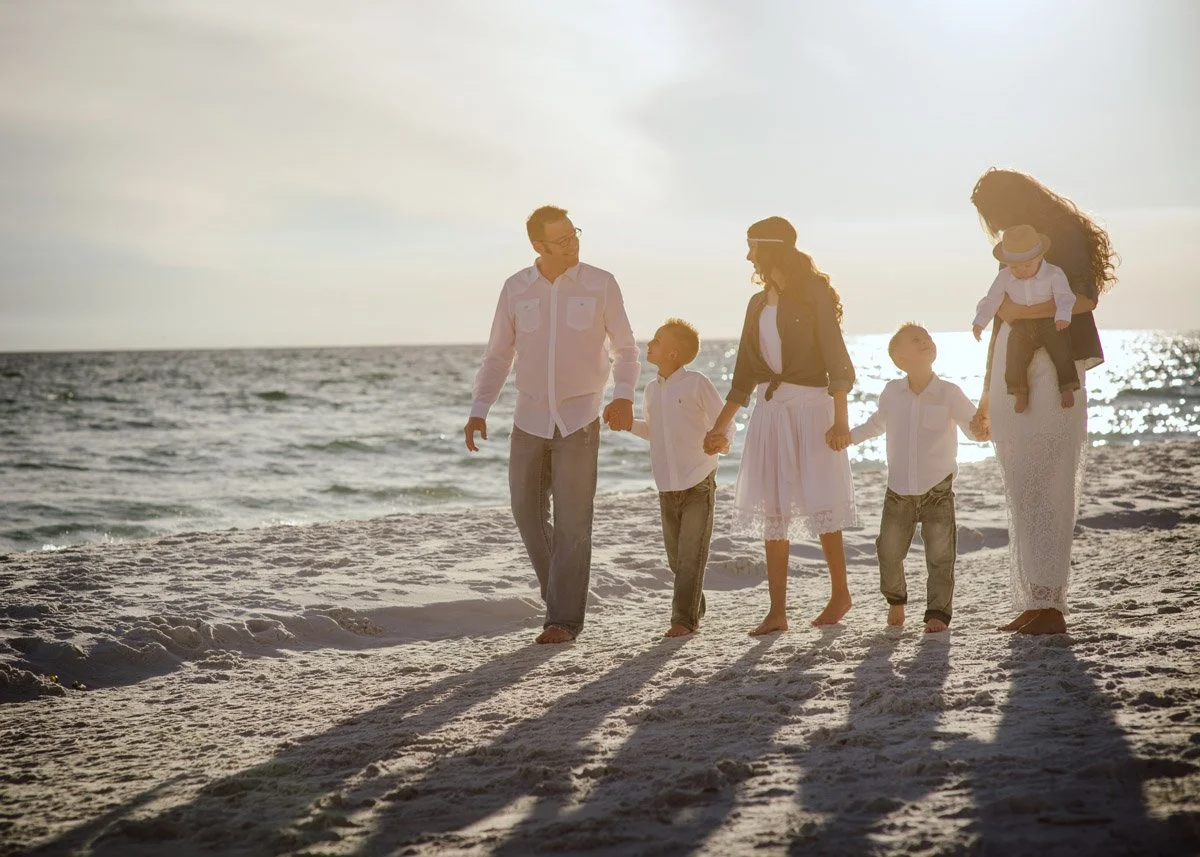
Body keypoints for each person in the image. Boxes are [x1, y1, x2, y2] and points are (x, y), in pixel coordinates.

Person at [464, 206, 639, 644]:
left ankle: (563, 620)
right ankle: (560, 596)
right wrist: (480, 407)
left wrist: (622, 396)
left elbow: (626, 349)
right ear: (538, 246)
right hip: (529, 416)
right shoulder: (516, 288)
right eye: (561, 240)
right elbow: (499, 354)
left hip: (581, 416)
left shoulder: (601, 283)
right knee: (526, 514)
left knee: (573, 522)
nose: (573, 244)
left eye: (574, 235)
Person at [968, 169, 1117, 636]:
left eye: (991, 213)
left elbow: (1084, 300)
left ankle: (1051, 604)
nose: (991, 224)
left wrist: (1018, 312)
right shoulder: (1017, 244)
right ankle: (1036, 599)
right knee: (1022, 482)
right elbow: (998, 320)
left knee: (1050, 480)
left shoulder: (1063, 235)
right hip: (1012, 370)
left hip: (1054, 368)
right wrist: (984, 397)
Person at [703, 216, 858, 635]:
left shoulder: (814, 294)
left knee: (822, 503)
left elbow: (837, 359)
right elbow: (743, 375)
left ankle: (840, 593)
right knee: (774, 509)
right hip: (770, 413)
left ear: (769, 248)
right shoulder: (756, 304)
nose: (747, 254)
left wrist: (841, 421)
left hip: (812, 407)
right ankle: (777, 611)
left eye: (751, 245)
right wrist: (720, 428)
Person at [848, 323, 982, 634]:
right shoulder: (892, 392)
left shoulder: (949, 393)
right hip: (898, 491)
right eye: (915, 339)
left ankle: (937, 612)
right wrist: (847, 438)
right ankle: (896, 599)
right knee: (888, 551)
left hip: (938, 490)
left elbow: (973, 426)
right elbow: (875, 424)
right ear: (899, 358)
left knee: (940, 556)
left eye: (927, 337)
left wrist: (983, 429)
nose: (925, 341)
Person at [619, 318, 733, 638]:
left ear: (673, 353)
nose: (649, 344)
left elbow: (724, 421)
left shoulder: (696, 383)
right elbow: (652, 431)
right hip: (667, 486)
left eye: (657, 340)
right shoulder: (651, 390)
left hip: (699, 480)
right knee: (676, 558)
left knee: (690, 556)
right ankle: (694, 605)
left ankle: (683, 620)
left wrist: (723, 441)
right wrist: (628, 423)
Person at [971, 224, 1079, 413]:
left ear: (1039, 257)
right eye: (1014, 266)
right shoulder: (1004, 277)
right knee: (1014, 356)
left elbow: (1065, 296)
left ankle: (1067, 387)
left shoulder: (1054, 274)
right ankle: (1019, 392)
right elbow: (992, 300)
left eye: (1026, 265)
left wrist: (1063, 316)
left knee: (1062, 352)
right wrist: (979, 323)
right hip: (1021, 325)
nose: (1020, 270)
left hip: (1050, 321)